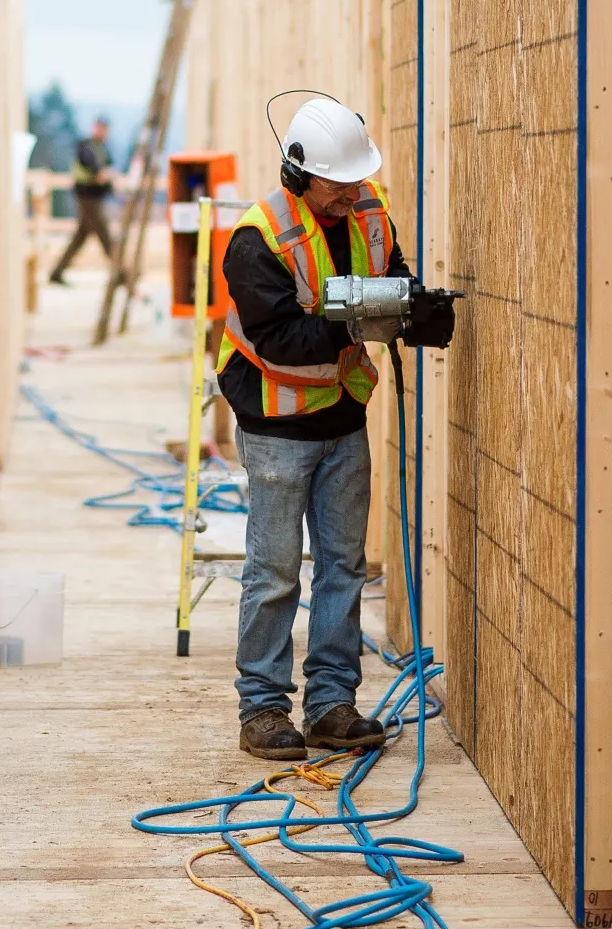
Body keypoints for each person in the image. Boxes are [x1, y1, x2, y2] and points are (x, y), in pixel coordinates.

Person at [217, 97, 456, 761]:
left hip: (344, 416)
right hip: (276, 424)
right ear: (298, 175)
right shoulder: (258, 236)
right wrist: (368, 320)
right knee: (274, 572)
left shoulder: (368, 207)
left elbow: (390, 273)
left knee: (344, 567)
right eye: (338, 182)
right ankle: (263, 707)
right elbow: (281, 339)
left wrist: (411, 306)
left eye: (357, 179)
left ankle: (331, 704)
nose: (352, 191)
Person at [48, 116, 115, 284]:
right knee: (103, 233)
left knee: (81, 236)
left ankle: (57, 271)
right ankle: (120, 271)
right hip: (87, 196)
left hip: (95, 196)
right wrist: (100, 174)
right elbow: (92, 165)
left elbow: (107, 170)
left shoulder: (102, 148)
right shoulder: (86, 145)